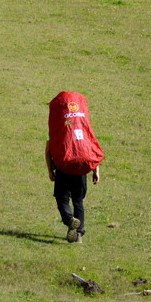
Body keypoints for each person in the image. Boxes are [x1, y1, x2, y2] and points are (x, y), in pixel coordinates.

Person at [44, 91, 104, 243]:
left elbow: (48, 150)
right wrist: (96, 170)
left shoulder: (56, 127)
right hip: (80, 168)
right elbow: (89, 146)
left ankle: (70, 220)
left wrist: (50, 170)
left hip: (64, 168)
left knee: (61, 197)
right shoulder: (82, 124)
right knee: (78, 201)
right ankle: (79, 234)